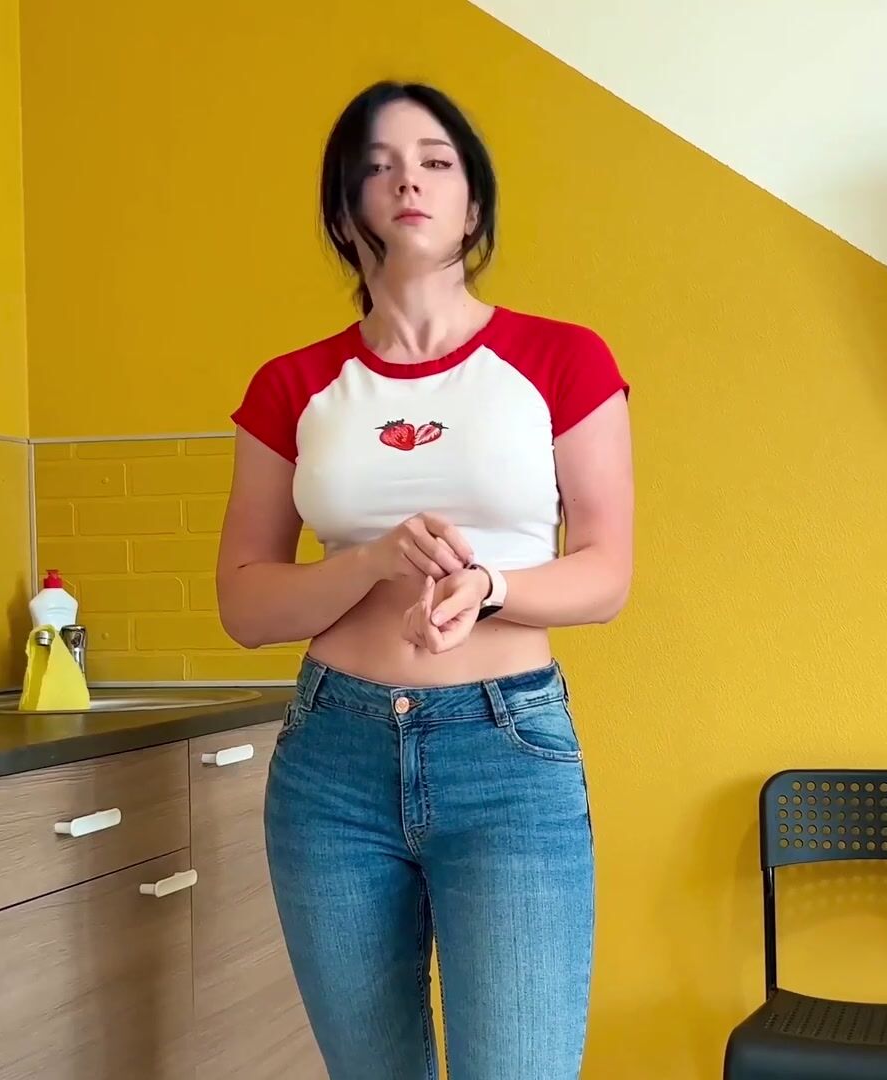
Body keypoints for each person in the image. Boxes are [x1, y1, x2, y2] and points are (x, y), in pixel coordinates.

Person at [215, 79, 634, 1079]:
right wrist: (366, 562)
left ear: (473, 203)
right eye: (379, 165)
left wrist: (489, 585)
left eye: (435, 161)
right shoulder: (291, 386)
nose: (409, 180)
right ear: (343, 209)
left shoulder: (562, 359)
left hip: (507, 753)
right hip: (332, 759)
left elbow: (607, 574)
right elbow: (244, 601)